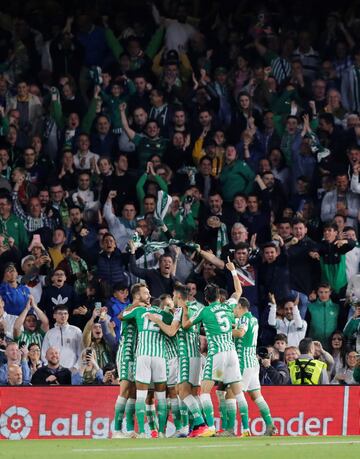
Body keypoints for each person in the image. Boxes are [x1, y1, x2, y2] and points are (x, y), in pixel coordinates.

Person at [181, 260, 249, 438]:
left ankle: (210, 426)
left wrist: (185, 310)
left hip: (217, 354)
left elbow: (186, 325)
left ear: (206, 298)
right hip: (232, 354)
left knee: (203, 391)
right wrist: (233, 271)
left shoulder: (204, 311)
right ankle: (246, 429)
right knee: (237, 391)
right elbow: (239, 291)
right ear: (219, 296)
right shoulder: (228, 306)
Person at [121, 283, 173, 438]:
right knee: (161, 397)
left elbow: (122, 316)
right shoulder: (163, 314)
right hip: (159, 357)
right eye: (146, 293)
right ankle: (162, 433)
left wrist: (134, 305)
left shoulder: (138, 310)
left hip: (142, 356)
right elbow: (176, 325)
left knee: (142, 396)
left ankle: (143, 432)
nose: (149, 295)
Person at [233, 297, 277, 436]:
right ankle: (270, 425)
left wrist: (224, 331)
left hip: (243, 361)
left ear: (240, 306)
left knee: (236, 394)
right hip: (253, 361)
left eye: (235, 308)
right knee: (256, 396)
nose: (233, 311)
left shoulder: (244, 319)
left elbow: (241, 332)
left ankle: (245, 429)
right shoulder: (254, 319)